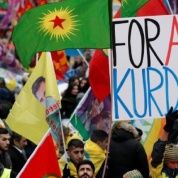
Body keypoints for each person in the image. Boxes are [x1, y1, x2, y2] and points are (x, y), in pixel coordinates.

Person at [150, 107, 178, 178]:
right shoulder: (158, 174)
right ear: (164, 162)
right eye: (172, 162)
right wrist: (167, 129)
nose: (176, 166)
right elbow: (158, 155)